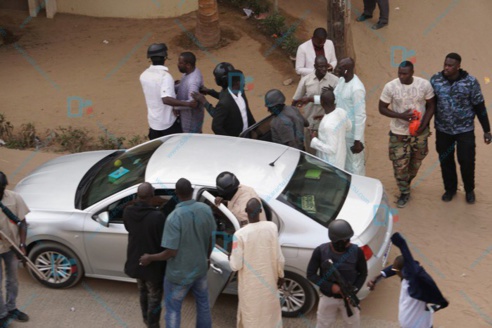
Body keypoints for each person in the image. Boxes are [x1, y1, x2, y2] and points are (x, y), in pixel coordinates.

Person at [140, 178, 216, 328]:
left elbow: (170, 252)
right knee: (203, 304)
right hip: (199, 269)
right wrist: (206, 258)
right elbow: (211, 238)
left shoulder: (174, 217)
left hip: (178, 275)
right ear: (192, 191)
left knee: (174, 310)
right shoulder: (206, 210)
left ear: (176, 193)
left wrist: (150, 257)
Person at [431, 53, 491, 204]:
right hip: (443, 130)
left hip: (465, 130)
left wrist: (487, 130)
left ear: (458, 66)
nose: (446, 68)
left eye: (450, 65)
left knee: (467, 161)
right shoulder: (436, 80)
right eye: (445, 64)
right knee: (446, 160)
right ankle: (450, 189)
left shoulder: (470, 82)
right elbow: (430, 105)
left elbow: (479, 106)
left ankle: (469, 190)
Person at [379, 61, 435, 208]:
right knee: (399, 164)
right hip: (399, 132)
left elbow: (431, 105)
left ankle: (406, 181)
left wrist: (423, 125)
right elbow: (382, 108)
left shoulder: (424, 85)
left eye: (404, 73)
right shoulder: (390, 86)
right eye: (399, 73)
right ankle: (404, 192)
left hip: (419, 132)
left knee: (416, 161)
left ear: (412, 72)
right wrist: (400, 115)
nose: (401, 76)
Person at [367, 233, 449, 328]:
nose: (394, 271)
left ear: (403, 270)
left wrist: (403, 245)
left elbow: (414, 274)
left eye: (396, 269)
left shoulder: (416, 284)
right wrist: (378, 277)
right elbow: (393, 269)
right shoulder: (406, 273)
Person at [229, 198, 285, 328]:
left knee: (251, 315)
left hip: (250, 286)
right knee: (269, 314)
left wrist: (229, 258)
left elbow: (236, 265)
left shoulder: (240, 235)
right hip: (270, 281)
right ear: (261, 210)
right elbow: (279, 257)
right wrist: (281, 275)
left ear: (246, 211)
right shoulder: (272, 227)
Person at [306, 219, 367, 328]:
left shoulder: (357, 251)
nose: (349, 242)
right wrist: (331, 287)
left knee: (353, 324)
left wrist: (354, 290)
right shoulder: (320, 251)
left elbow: (363, 273)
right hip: (328, 297)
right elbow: (311, 274)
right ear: (337, 241)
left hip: (349, 298)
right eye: (346, 240)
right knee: (323, 324)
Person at [123, 182, 166, 328]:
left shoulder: (128, 211)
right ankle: (153, 324)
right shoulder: (158, 216)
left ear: (137, 195)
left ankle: (146, 320)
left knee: (142, 291)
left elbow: (129, 228)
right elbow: (163, 240)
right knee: (154, 296)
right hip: (153, 265)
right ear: (152, 196)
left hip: (136, 261)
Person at [140, 43, 194, 140]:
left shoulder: (143, 76)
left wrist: (172, 85)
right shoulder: (165, 76)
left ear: (150, 58)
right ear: (165, 57)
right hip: (168, 125)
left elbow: (155, 88)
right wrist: (188, 104)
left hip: (154, 124)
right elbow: (166, 99)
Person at [292, 55, 339, 154]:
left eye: (325, 66)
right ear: (314, 66)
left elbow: (339, 101)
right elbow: (296, 101)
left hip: (327, 125)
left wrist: (333, 94)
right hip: (310, 124)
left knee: (327, 153)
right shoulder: (306, 80)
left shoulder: (335, 81)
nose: (323, 69)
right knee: (311, 154)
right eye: (320, 66)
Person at [0, 172, 30, 326]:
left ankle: (12, 308)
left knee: (13, 280)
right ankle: (2, 313)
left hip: (11, 246)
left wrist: (22, 245)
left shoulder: (14, 198)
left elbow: (23, 223)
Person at [333, 57, 367, 176]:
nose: (337, 69)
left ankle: (359, 190)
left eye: (340, 68)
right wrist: (312, 99)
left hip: (353, 135)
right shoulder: (341, 81)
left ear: (347, 70)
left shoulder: (357, 88)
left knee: (355, 165)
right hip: (342, 131)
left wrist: (357, 140)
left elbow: (360, 116)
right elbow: (334, 98)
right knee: (345, 162)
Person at [310, 89, 352, 168]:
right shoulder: (341, 111)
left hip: (330, 163)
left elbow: (332, 149)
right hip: (340, 156)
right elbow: (349, 127)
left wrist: (314, 140)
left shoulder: (328, 125)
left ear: (322, 102)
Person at [173, 52, 205, 133]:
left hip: (191, 124)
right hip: (187, 119)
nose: (178, 64)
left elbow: (192, 103)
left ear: (188, 65)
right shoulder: (190, 72)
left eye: (180, 63)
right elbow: (183, 86)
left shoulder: (193, 82)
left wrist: (175, 106)